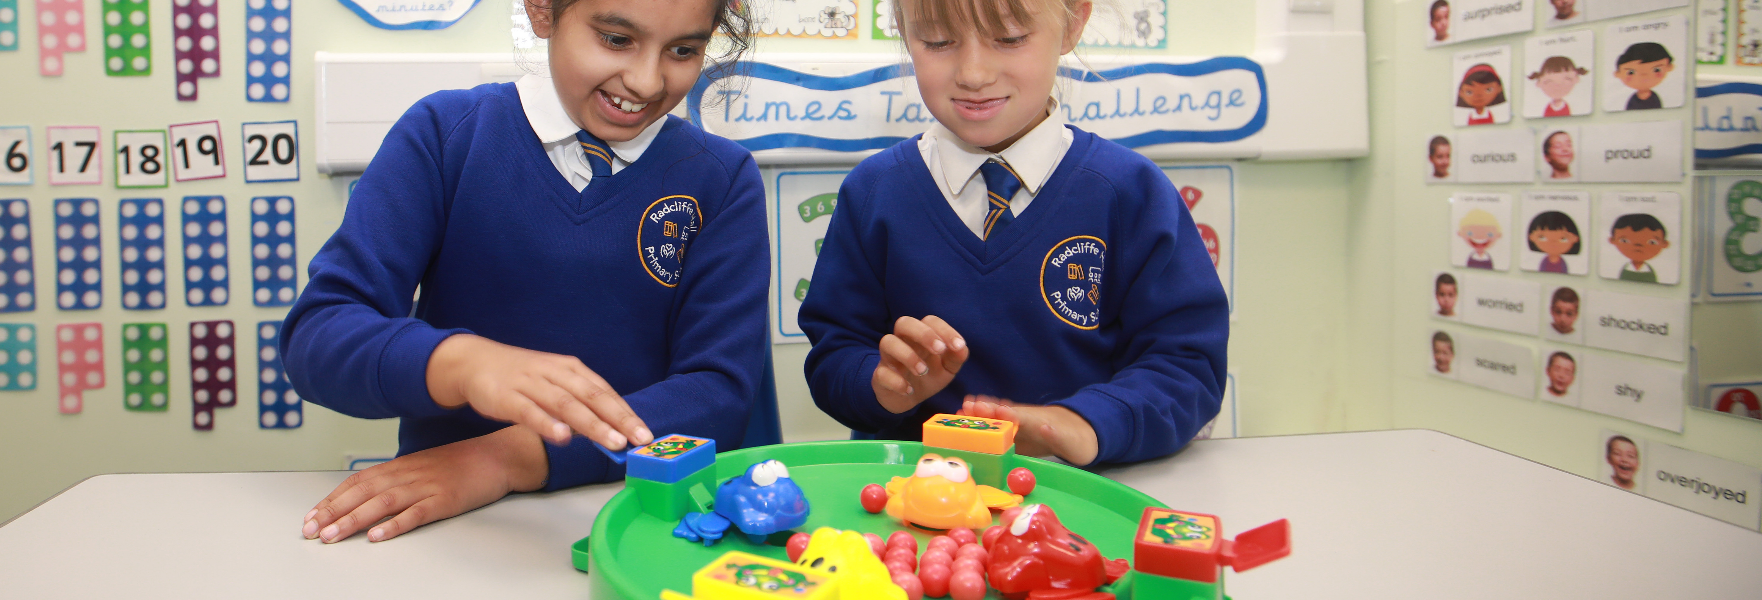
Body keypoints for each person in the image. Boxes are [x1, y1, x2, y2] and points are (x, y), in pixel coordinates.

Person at [281, 0, 768, 544]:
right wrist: (461, 363)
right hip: (453, 533)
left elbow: (718, 393)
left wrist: (507, 458)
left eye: (683, 51)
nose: (647, 80)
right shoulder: (446, 136)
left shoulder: (723, 181)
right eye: (615, 39)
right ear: (542, 11)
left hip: (644, 522)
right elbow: (318, 335)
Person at [800, 0, 1228, 470]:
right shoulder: (873, 192)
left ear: (1073, 24)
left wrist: (1078, 424)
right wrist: (884, 385)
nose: (974, 73)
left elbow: (1187, 367)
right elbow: (834, 354)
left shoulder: (1131, 193)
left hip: (1081, 499)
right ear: (903, 30)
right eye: (938, 41)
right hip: (913, 501)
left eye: (1009, 38)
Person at [1609, 213, 1667, 283]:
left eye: (1652, 242)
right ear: (1612, 241)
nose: (1638, 246)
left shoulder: (1660, 270)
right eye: (1624, 241)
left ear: (1664, 244)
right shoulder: (1613, 268)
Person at [1614, 42, 1673, 110]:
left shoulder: (1655, 98)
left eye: (1656, 70)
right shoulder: (1633, 100)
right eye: (1630, 72)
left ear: (1669, 67)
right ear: (1618, 74)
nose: (1644, 76)